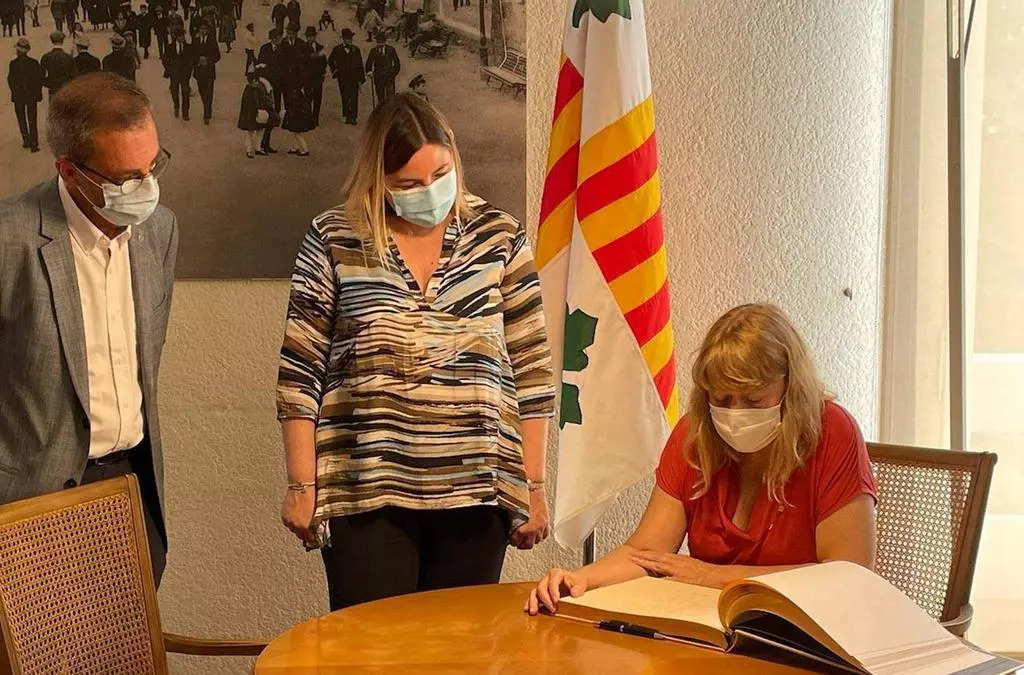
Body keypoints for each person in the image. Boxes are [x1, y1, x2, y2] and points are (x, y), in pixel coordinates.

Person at [0, 73, 178, 675]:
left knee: (114, 662)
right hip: (35, 496)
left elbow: (142, 358)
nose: (146, 189)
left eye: (154, 166)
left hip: (130, 487)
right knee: (32, 662)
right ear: (69, 171)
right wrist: (0, 445)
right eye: (126, 178)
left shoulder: (159, 230)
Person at [277, 94, 554, 611]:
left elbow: (532, 371)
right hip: (366, 490)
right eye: (408, 184)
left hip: (477, 489)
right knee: (373, 649)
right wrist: (301, 483)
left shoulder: (500, 235)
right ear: (377, 180)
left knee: (461, 648)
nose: (429, 191)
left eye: (440, 175)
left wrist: (534, 486)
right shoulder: (334, 237)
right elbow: (300, 370)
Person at [525, 304, 878, 616]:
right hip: (711, 625)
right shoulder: (694, 433)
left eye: (753, 400)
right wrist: (579, 579)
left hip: (803, 634)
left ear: (791, 389)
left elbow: (848, 574)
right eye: (721, 400)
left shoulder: (833, 431)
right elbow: (646, 553)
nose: (735, 414)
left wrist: (713, 576)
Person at [7, 37, 43, 152]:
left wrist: (14, 91)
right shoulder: (34, 63)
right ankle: (34, 144)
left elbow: (10, 80)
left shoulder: (13, 64)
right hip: (31, 95)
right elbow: (39, 79)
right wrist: (38, 94)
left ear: (17, 50)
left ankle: (26, 140)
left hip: (18, 96)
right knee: (32, 119)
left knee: (21, 118)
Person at [237, 66, 273, 158]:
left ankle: (250, 150)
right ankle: (257, 148)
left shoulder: (248, 89)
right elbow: (265, 100)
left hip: (250, 114)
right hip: (258, 112)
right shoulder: (260, 87)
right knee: (259, 131)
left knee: (251, 132)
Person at [329, 28, 363, 125]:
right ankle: (347, 116)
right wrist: (335, 70)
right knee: (345, 96)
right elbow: (330, 61)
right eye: (348, 38)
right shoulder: (337, 49)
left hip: (354, 77)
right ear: (343, 39)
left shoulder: (356, 50)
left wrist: (361, 79)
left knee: (354, 96)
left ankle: (353, 116)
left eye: (351, 38)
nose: (350, 40)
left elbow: (360, 65)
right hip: (343, 78)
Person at [162, 26, 194, 121]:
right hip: (174, 73)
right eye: (180, 36)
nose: (182, 37)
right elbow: (165, 59)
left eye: (183, 36)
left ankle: (185, 113)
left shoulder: (188, 47)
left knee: (185, 92)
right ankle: (176, 105)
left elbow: (192, 60)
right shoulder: (170, 47)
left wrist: (189, 69)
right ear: (176, 37)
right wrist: (169, 69)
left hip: (185, 73)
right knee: (174, 92)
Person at [191, 23, 220, 125]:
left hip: (209, 71)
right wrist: (197, 61)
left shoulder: (212, 41)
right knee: (202, 91)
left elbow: (217, 56)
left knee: (209, 92)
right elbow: (192, 54)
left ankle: (207, 114)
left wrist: (208, 60)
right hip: (199, 71)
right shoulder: (196, 41)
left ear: (208, 31)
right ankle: (207, 106)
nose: (203, 31)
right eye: (201, 29)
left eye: (204, 29)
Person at [366, 32, 399, 106]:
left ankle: (390, 112)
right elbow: (369, 62)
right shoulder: (373, 51)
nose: (379, 44)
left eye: (380, 42)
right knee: (380, 98)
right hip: (378, 77)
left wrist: (394, 73)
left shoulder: (391, 50)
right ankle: (381, 111)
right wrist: (369, 71)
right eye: (377, 42)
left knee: (391, 98)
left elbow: (397, 63)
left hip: (389, 77)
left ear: (384, 42)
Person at [41, 31, 78, 98]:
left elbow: (42, 75)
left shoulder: (46, 57)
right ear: (62, 41)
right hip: (65, 88)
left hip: (53, 88)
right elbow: (74, 76)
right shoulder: (69, 57)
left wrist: (49, 83)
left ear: (52, 41)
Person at [303, 27, 326, 126]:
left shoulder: (320, 47)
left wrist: (323, 73)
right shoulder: (303, 47)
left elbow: (324, 61)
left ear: (315, 36)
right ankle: (308, 118)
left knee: (317, 97)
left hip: (318, 76)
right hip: (307, 76)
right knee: (307, 97)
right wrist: (310, 57)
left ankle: (315, 118)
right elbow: (301, 60)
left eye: (311, 36)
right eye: (308, 36)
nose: (310, 38)